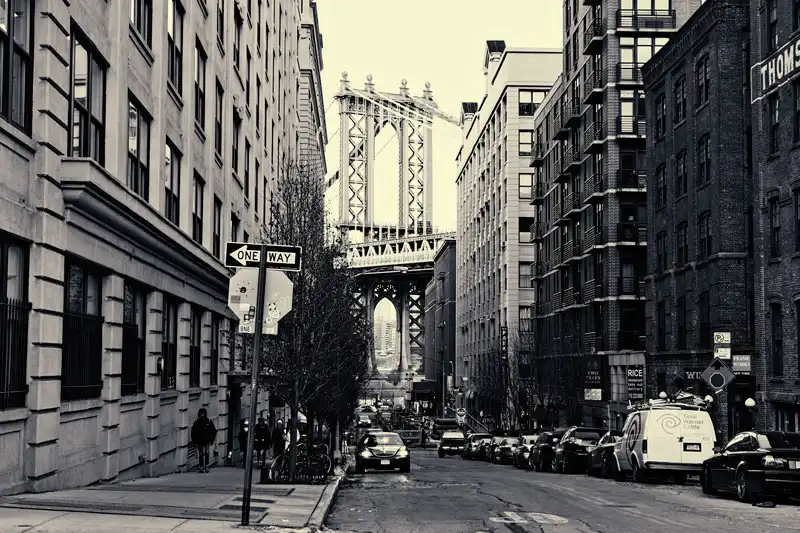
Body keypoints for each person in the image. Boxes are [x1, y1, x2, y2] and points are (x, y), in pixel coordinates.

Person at [190, 408, 217, 473]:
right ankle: (202, 467)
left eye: (203, 413)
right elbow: (193, 433)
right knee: (201, 454)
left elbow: (213, 431)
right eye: (201, 414)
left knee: (207, 453)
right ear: (199, 414)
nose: (202, 415)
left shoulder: (209, 421)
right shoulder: (197, 422)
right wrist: (194, 442)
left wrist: (212, 439)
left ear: (205, 414)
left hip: (207, 441)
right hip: (199, 441)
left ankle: (206, 466)